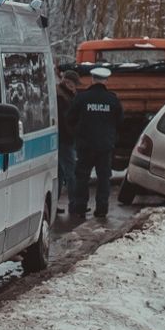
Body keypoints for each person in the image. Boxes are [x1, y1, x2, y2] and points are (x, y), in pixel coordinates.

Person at [67, 67, 123, 218]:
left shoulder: (82, 98)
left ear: (92, 79)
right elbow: (120, 122)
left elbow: (70, 118)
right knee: (104, 177)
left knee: (82, 177)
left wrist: (77, 133)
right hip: (105, 146)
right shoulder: (112, 99)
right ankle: (102, 208)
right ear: (105, 81)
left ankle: (80, 207)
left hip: (85, 145)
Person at [55, 69, 81, 213]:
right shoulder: (62, 97)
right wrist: (73, 135)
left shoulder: (64, 94)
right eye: (73, 84)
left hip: (61, 139)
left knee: (60, 173)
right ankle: (74, 203)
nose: (75, 87)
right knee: (71, 173)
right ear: (67, 82)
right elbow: (65, 122)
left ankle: (55, 204)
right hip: (65, 140)